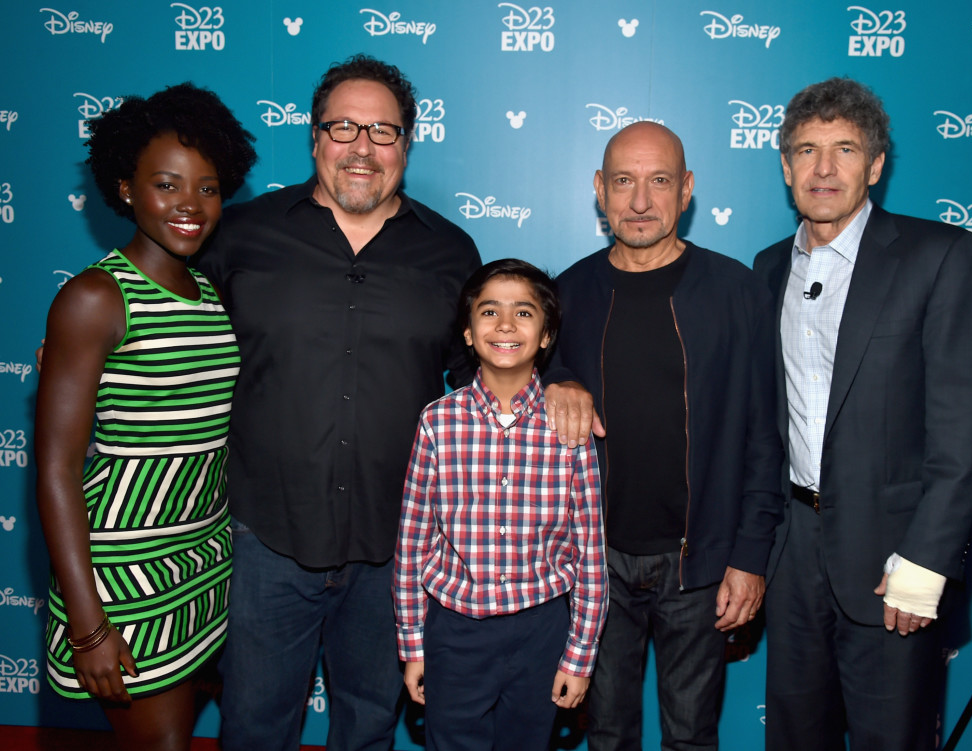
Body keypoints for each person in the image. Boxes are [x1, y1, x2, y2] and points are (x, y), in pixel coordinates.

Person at [195, 55, 484, 751]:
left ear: (408, 145)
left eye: (383, 131)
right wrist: (95, 345)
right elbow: (167, 318)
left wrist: (560, 379)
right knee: (255, 728)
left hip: (395, 547)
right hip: (266, 537)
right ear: (314, 137)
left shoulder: (451, 252)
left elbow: (484, 374)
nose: (362, 147)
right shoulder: (239, 235)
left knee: (369, 726)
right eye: (344, 127)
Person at [753, 77, 972, 751]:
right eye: (806, 149)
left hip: (896, 561)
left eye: (845, 150)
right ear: (784, 165)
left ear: (877, 165)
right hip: (792, 557)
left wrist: (925, 564)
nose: (824, 168)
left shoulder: (940, 257)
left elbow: (962, 433)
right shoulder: (768, 268)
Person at [545, 121, 784, 750]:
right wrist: (559, 375)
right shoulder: (566, 292)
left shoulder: (738, 292)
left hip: (700, 566)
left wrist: (749, 557)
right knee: (608, 735)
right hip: (595, 562)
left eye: (660, 182)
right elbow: (520, 366)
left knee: (689, 738)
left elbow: (766, 434)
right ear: (600, 188)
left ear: (687, 190)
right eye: (624, 182)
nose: (641, 202)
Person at [34, 83, 257, 750]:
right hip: (123, 576)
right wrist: (89, 625)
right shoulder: (95, 297)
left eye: (208, 188)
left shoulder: (210, 293)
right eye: (167, 184)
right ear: (126, 187)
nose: (190, 205)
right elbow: (54, 468)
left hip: (204, 564)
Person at [393, 258, 609, 751]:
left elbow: (590, 555)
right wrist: (413, 645)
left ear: (548, 334)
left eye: (524, 313)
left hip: (542, 630)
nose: (506, 325)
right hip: (455, 631)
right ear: (468, 333)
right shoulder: (437, 423)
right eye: (489, 312)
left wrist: (579, 656)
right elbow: (412, 544)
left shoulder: (570, 427)